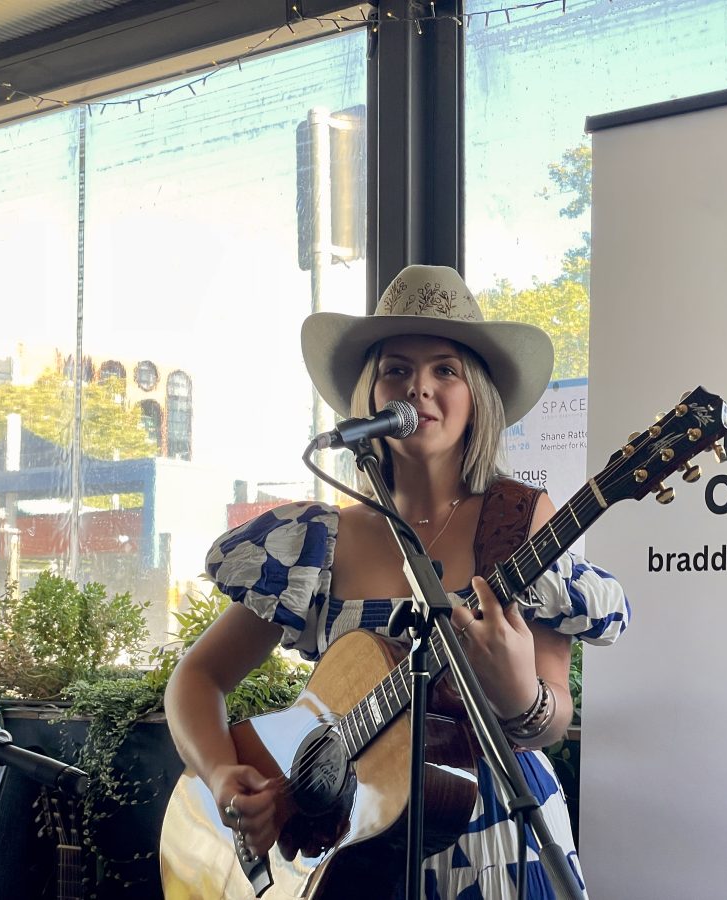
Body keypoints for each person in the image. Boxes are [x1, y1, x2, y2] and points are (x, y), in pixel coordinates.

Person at [164, 264, 630, 898]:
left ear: (478, 396)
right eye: (397, 371)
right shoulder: (316, 540)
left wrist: (523, 694)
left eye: (445, 370)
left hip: (492, 838)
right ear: (371, 398)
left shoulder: (517, 520)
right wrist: (222, 776)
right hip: (348, 852)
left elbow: (551, 719)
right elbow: (197, 678)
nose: (421, 389)